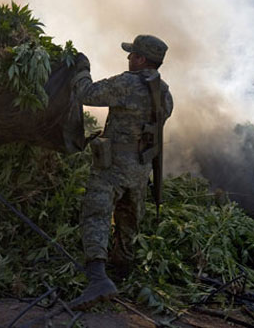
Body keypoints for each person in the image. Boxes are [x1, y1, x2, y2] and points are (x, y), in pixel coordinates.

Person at [69, 34, 173, 311]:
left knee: (96, 214)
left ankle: (97, 279)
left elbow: (86, 94)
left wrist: (82, 69)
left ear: (141, 59)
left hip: (113, 165)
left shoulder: (127, 84)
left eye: (132, 54)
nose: (128, 58)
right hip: (141, 167)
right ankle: (122, 274)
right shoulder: (164, 92)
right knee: (129, 220)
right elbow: (165, 115)